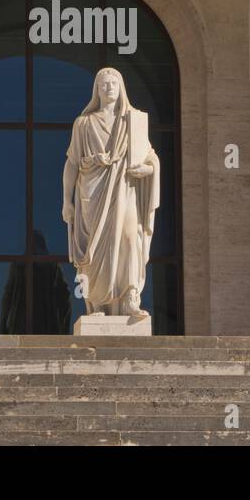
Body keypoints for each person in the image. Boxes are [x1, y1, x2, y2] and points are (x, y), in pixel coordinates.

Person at [62, 68, 159, 318]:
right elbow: (72, 163)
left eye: (114, 83)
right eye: (104, 84)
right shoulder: (83, 123)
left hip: (125, 190)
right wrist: (66, 201)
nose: (109, 88)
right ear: (96, 90)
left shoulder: (132, 121)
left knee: (129, 239)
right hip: (91, 195)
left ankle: (130, 299)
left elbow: (151, 157)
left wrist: (147, 168)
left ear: (121, 87)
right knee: (93, 252)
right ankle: (97, 304)